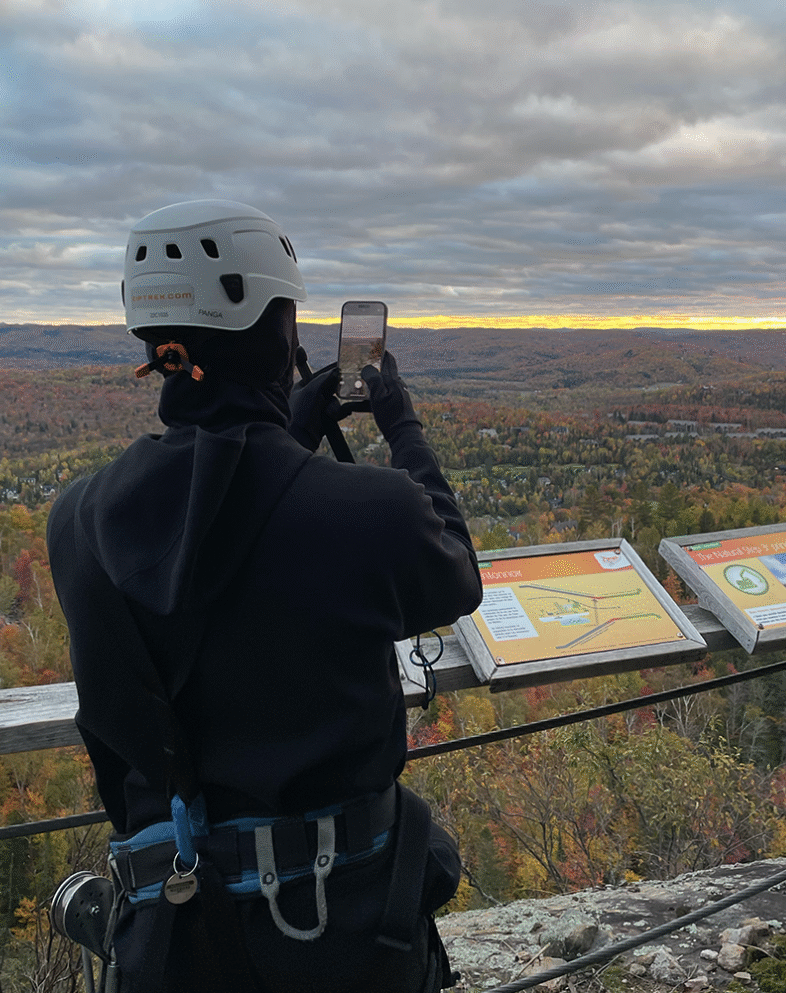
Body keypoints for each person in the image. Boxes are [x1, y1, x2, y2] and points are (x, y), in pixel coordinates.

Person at [47, 199, 483, 992]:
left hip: (176, 939)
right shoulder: (367, 510)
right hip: (348, 934)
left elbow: (212, 530)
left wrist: (285, 428)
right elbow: (456, 571)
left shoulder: (75, 520)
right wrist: (402, 428)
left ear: (156, 343)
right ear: (282, 331)